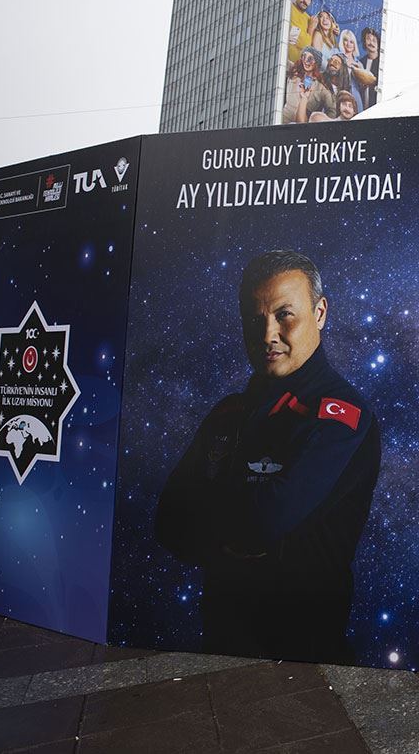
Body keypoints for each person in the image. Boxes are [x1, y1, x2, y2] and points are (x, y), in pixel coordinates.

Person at [155, 251, 381, 662]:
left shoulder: (341, 416)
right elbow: (168, 521)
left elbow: (264, 521)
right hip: (221, 642)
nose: (268, 334)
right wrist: (241, 533)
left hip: (304, 651)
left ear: (319, 313)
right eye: (255, 319)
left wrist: (215, 519)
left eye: (284, 315)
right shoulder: (228, 413)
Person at [283, 50, 335, 124]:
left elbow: (332, 109)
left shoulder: (320, 87)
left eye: (310, 59)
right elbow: (281, 58)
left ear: (316, 63)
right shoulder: (294, 71)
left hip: (302, 125)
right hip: (283, 120)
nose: (306, 61)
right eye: (304, 57)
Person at [287, 0, 315, 67]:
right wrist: (310, 29)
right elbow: (304, 44)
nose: (305, 0)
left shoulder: (308, 18)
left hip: (299, 69)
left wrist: (334, 27)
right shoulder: (288, 9)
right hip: (285, 63)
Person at [357, 27, 381, 107]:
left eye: (374, 40)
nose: (371, 43)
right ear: (364, 42)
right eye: (368, 39)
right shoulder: (361, 63)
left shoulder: (382, 63)